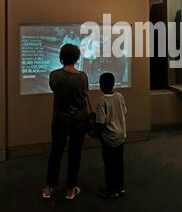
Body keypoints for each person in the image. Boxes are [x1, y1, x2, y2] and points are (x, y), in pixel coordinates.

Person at [42, 43, 92, 200]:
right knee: (74, 154)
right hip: (79, 120)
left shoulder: (54, 75)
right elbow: (84, 96)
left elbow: (55, 90)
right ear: (77, 58)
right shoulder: (83, 76)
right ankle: (70, 190)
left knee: (55, 153)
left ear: (61, 57)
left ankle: (48, 189)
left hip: (59, 120)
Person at [95, 73, 127, 199]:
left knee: (109, 164)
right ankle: (120, 187)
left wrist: (96, 133)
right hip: (120, 135)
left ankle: (111, 190)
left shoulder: (101, 101)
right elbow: (124, 112)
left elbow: (101, 123)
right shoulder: (120, 96)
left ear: (101, 85)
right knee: (119, 162)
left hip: (109, 138)